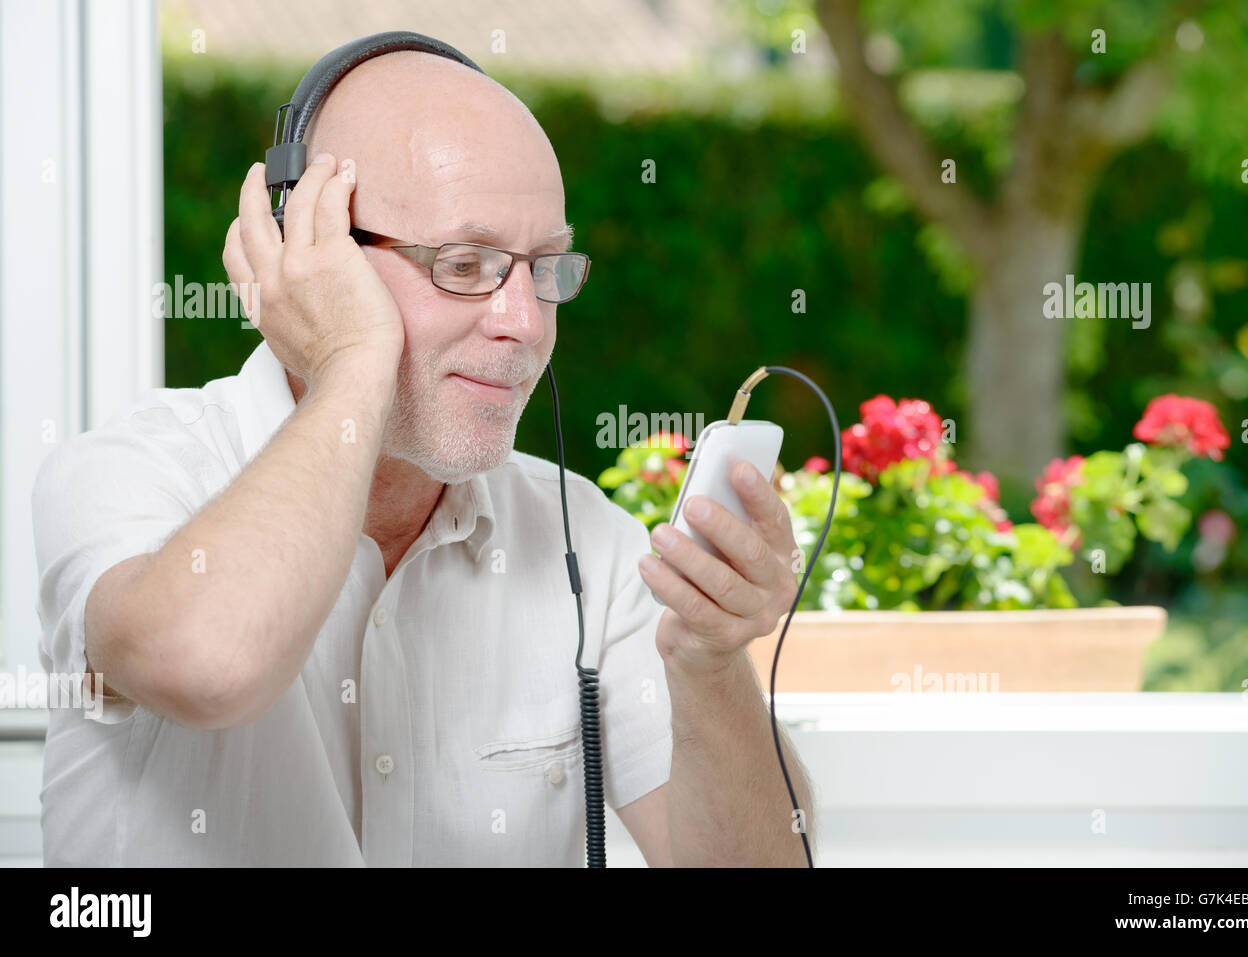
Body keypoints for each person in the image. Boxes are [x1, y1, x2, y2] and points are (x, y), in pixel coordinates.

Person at [31, 48, 813, 866]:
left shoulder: (587, 538)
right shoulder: (126, 474)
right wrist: (353, 355)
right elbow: (211, 666)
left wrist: (711, 669)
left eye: (544, 268)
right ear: (312, 248)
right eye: (464, 265)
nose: (527, 322)